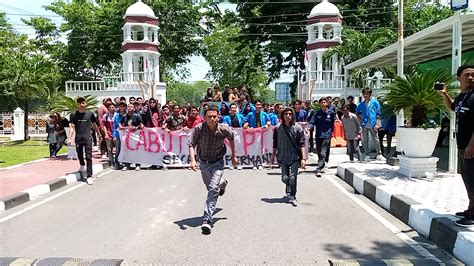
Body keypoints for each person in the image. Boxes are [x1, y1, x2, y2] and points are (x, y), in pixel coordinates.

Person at [188, 106, 238, 234]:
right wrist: (193, 160)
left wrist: (233, 155)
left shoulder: (224, 129)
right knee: (210, 186)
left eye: (214, 116)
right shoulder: (199, 129)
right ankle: (223, 183)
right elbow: (191, 144)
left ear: (218, 117)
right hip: (204, 162)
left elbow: (232, 138)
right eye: (209, 116)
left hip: (218, 162)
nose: (212, 119)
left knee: (212, 189)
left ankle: (207, 219)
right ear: (204, 117)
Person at [440, 65, 474, 227]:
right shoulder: (462, 96)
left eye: (473, 75)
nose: (470, 78)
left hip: (471, 147)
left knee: (472, 180)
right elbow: (453, 108)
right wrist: (444, 94)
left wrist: (471, 146)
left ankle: (473, 215)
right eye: (467, 75)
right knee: (467, 179)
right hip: (462, 146)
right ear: (459, 78)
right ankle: (470, 208)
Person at [271, 107, 306, 205]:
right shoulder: (278, 128)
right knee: (285, 178)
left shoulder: (298, 128)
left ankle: (293, 195)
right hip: (282, 157)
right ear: (282, 115)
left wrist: (303, 158)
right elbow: (275, 143)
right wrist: (273, 156)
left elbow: (302, 144)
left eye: (290, 114)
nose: (288, 116)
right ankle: (289, 186)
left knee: (293, 177)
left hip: (295, 157)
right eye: (286, 114)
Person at [68, 96, 99, 185]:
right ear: (77, 104)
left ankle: (89, 176)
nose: (81, 104)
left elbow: (94, 124)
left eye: (83, 102)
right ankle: (82, 164)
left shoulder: (90, 114)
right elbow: (72, 126)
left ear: (85, 104)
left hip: (88, 138)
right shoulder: (73, 114)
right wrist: (69, 138)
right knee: (80, 155)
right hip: (78, 138)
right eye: (79, 103)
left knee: (88, 157)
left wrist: (98, 133)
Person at [308, 97, 335, 176]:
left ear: (327, 103)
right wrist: (309, 127)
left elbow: (332, 124)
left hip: (327, 135)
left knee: (323, 151)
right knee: (319, 151)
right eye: (321, 102)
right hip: (319, 135)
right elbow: (312, 122)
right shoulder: (317, 114)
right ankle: (322, 163)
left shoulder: (331, 113)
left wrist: (331, 133)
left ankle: (319, 168)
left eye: (324, 102)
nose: (323, 104)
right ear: (319, 104)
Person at [356, 87, 384, 160]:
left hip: (373, 123)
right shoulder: (361, 104)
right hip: (364, 124)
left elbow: (379, 113)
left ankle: (379, 154)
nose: (365, 95)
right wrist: (360, 118)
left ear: (370, 94)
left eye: (367, 94)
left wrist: (377, 123)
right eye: (364, 94)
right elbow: (357, 112)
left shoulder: (375, 102)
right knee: (364, 140)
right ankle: (367, 154)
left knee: (376, 139)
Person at [119, 103, 144, 171]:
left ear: (134, 108)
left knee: (136, 150)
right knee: (127, 150)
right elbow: (119, 123)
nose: (130, 108)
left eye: (131, 107)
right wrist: (120, 126)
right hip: (127, 136)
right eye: (129, 107)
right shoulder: (124, 116)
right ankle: (127, 165)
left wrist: (136, 127)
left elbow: (141, 125)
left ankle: (137, 164)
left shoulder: (137, 115)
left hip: (135, 136)